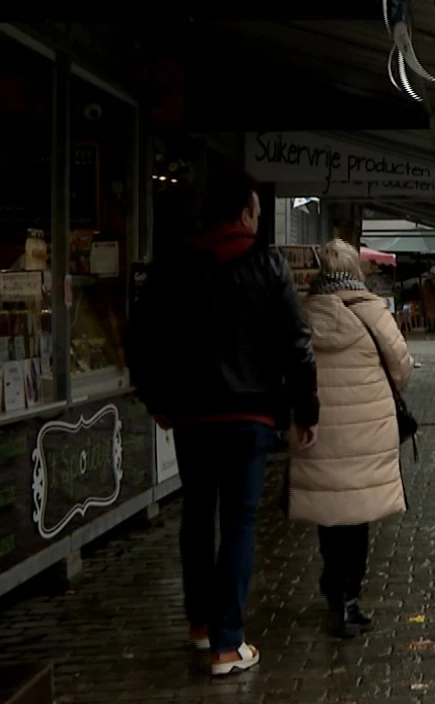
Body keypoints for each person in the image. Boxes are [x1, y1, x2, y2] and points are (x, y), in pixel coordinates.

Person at [126, 172, 318, 677]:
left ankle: (199, 622)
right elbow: (297, 343)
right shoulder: (267, 264)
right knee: (238, 524)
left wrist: (157, 399)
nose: (257, 221)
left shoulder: (175, 266)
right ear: (245, 215)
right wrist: (306, 410)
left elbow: (140, 337)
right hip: (249, 416)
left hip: (192, 414)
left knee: (197, 514)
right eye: (255, 213)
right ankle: (227, 642)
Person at [290, 240, 414, 638]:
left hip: (318, 428)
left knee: (330, 512)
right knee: (357, 516)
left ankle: (335, 584)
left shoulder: (302, 314)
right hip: (367, 429)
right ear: (355, 271)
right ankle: (348, 600)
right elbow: (402, 369)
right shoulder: (373, 312)